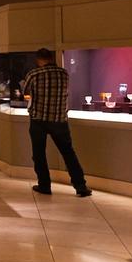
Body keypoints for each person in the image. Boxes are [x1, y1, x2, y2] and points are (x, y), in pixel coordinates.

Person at [23, 48, 92, 197]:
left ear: (39, 60)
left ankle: (44, 186)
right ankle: (81, 186)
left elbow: (25, 92)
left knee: (39, 154)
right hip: (59, 120)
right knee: (68, 153)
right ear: (51, 58)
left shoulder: (34, 74)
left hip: (38, 119)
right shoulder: (64, 73)